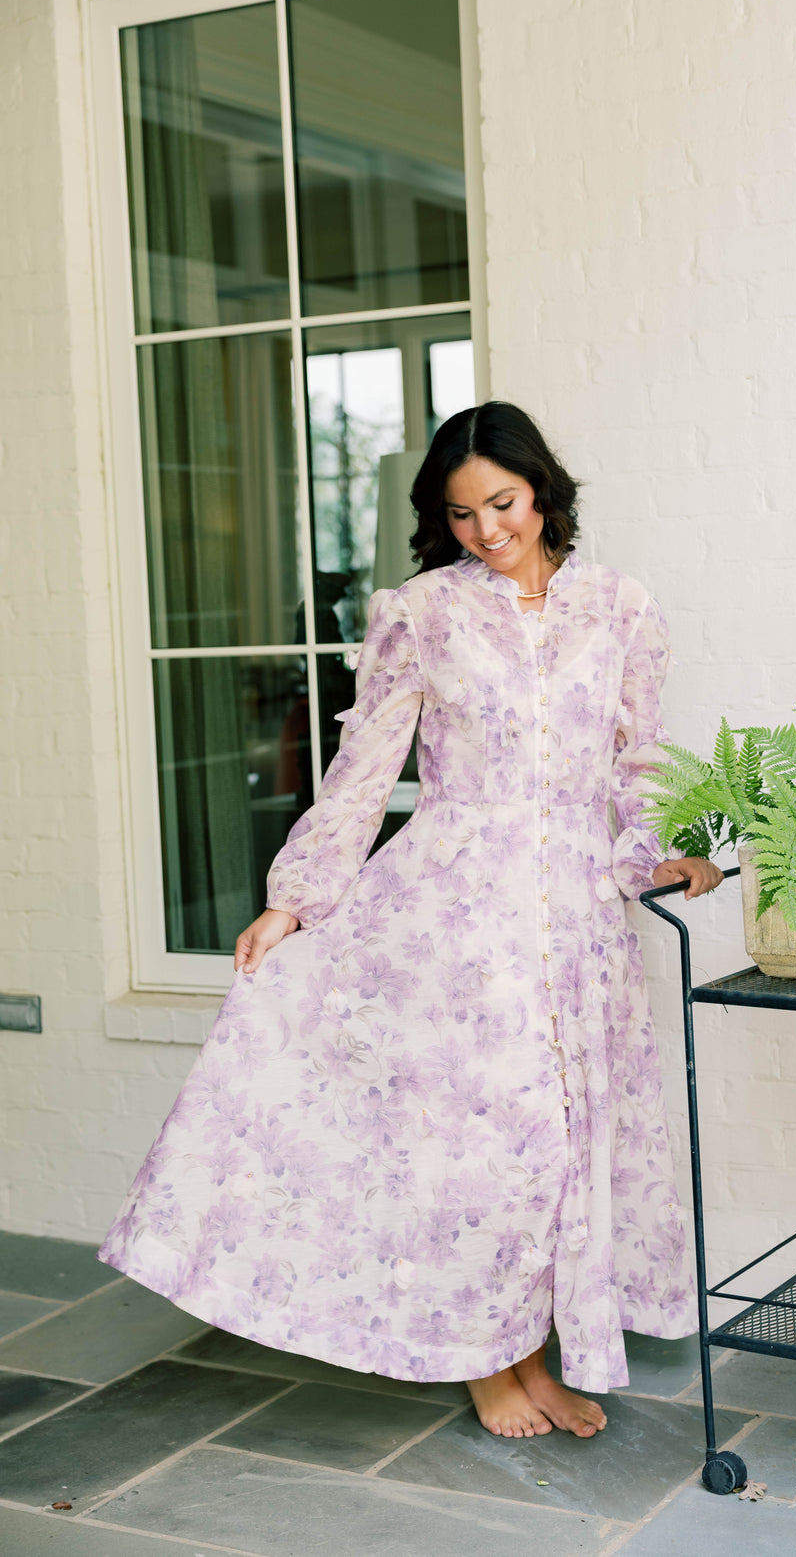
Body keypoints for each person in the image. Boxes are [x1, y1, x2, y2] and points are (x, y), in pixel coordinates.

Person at [100, 402, 723, 1441]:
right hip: (454, 917)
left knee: (561, 1145)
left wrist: (655, 853)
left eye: (504, 503)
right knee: (485, 1148)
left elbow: (639, 759)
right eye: (463, 512)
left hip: (576, 918)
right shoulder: (422, 613)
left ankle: (534, 1358)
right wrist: (292, 901)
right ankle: (490, 1368)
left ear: (544, 492)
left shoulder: (621, 610)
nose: (488, 529)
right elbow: (364, 770)